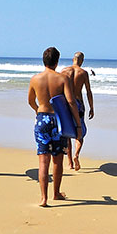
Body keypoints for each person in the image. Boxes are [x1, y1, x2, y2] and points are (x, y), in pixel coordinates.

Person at [28, 47, 82, 207]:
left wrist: (38, 110)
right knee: (58, 160)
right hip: (58, 121)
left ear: (43, 60)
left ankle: (43, 198)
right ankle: (56, 193)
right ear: (57, 61)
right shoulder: (62, 79)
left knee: (43, 161)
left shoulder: (35, 79)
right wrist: (78, 124)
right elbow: (71, 101)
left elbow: (30, 100)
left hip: (42, 118)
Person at [61, 51, 94, 171]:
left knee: (67, 133)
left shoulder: (64, 71)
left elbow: (59, 88)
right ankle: (76, 155)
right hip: (79, 104)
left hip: (66, 104)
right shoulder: (83, 73)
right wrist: (91, 107)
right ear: (82, 61)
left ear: (73, 59)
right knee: (80, 131)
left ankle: (70, 163)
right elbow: (88, 91)